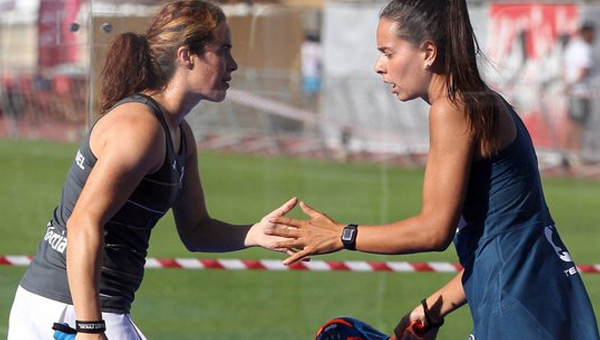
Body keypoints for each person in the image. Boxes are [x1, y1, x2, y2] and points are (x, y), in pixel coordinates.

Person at [266, 0, 600, 339]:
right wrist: (432, 309)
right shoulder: (484, 102)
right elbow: (502, 244)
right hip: (545, 297)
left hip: (517, 309)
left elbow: (433, 231)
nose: (378, 66)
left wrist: (342, 235)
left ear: (428, 52)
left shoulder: (452, 109)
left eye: (388, 52)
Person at [7, 1, 298, 339]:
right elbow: (82, 222)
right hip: (71, 310)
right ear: (186, 55)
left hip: (76, 307)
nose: (233, 64)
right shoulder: (141, 128)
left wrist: (254, 234)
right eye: (224, 50)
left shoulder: (178, 133)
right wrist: (89, 327)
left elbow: (196, 230)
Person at [563, 21, 595, 165]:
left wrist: (568, 84)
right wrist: (571, 84)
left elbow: (563, 67)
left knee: (573, 123)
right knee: (579, 123)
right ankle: (575, 154)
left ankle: (566, 152)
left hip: (572, 91)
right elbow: (583, 71)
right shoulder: (583, 48)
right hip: (580, 91)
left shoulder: (572, 46)